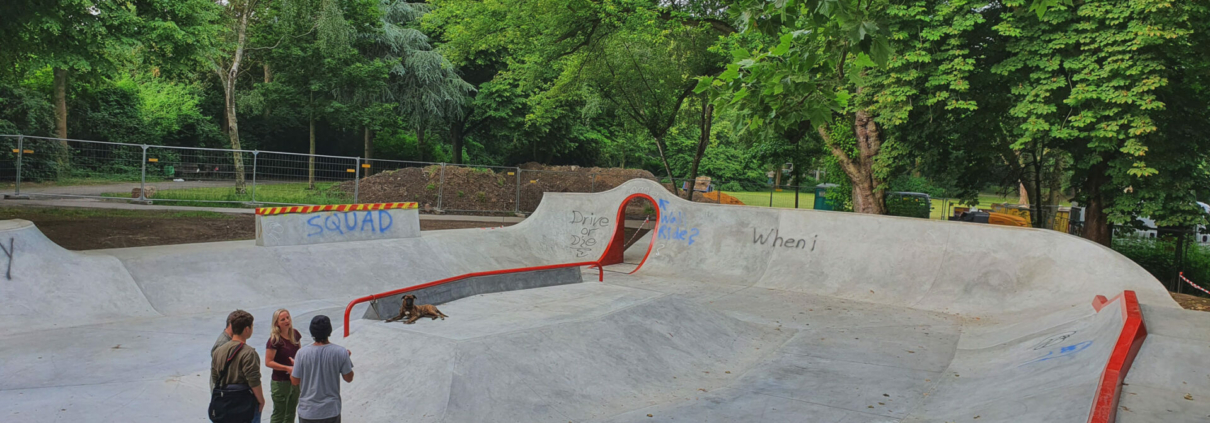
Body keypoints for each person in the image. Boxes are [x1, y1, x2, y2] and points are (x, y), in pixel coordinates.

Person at [291, 315, 354, 423]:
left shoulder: (301, 353)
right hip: (331, 411)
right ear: (329, 330)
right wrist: (346, 360)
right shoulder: (341, 352)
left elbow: (295, 381)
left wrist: (294, 368)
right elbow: (349, 378)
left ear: (312, 332)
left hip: (308, 412)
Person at [211, 310, 265, 423]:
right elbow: (254, 381)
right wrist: (261, 400)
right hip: (244, 405)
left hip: (225, 405)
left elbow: (215, 378)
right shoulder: (249, 353)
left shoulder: (219, 351)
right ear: (247, 329)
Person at [265, 309, 302, 423]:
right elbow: (268, 362)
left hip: (294, 380)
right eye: (282, 319)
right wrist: (287, 368)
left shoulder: (295, 334)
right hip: (281, 382)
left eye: (288, 318)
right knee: (279, 414)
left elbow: (299, 353)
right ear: (277, 323)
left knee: (291, 413)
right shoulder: (274, 340)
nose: (287, 321)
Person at [211, 310, 239, 390]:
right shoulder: (223, 343)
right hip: (223, 389)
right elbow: (218, 368)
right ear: (231, 325)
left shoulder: (231, 340)